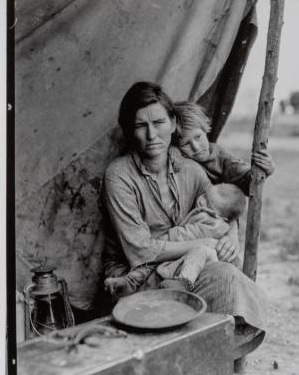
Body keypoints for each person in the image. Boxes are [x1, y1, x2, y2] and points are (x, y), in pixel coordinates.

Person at [102, 81, 267, 335]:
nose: (151, 135)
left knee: (229, 271)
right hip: (136, 278)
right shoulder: (119, 175)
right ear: (129, 130)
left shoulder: (190, 168)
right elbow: (141, 250)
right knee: (223, 274)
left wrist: (231, 234)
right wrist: (207, 244)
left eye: (158, 123)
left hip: (180, 271)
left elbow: (218, 207)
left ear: (173, 124)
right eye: (140, 126)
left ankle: (214, 351)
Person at [104, 182, 246, 297]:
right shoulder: (208, 214)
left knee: (199, 251)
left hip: (200, 260)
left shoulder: (214, 225)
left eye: (208, 205)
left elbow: (187, 234)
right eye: (205, 195)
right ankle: (129, 282)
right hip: (182, 255)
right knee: (151, 264)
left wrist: (165, 239)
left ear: (222, 218)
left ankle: (183, 283)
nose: (201, 201)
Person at [174, 101, 275, 191]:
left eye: (198, 137)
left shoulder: (220, 156)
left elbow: (245, 177)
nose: (195, 147)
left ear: (205, 130)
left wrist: (266, 169)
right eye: (186, 144)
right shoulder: (177, 158)